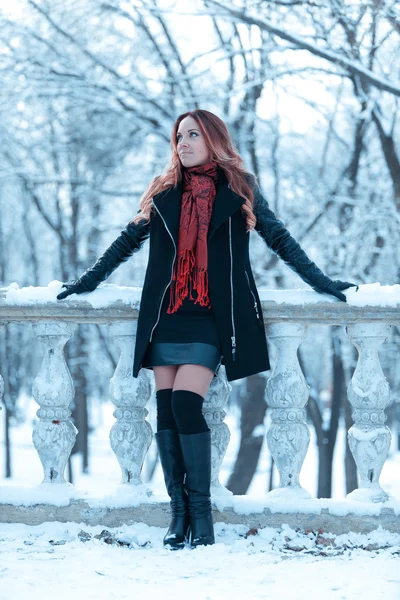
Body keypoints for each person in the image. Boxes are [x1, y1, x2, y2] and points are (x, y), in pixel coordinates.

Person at [57, 109, 357, 549]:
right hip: (167, 315)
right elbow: (125, 242)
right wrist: (84, 283)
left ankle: (202, 513)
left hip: (211, 319)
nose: (183, 143)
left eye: (193, 135)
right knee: (165, 411)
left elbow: (280, 238)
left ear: (213, 138)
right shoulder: (165, 191)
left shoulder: (240, 189)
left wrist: (323, 283)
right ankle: (178, 516)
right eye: (179, 137)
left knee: (184, 403)